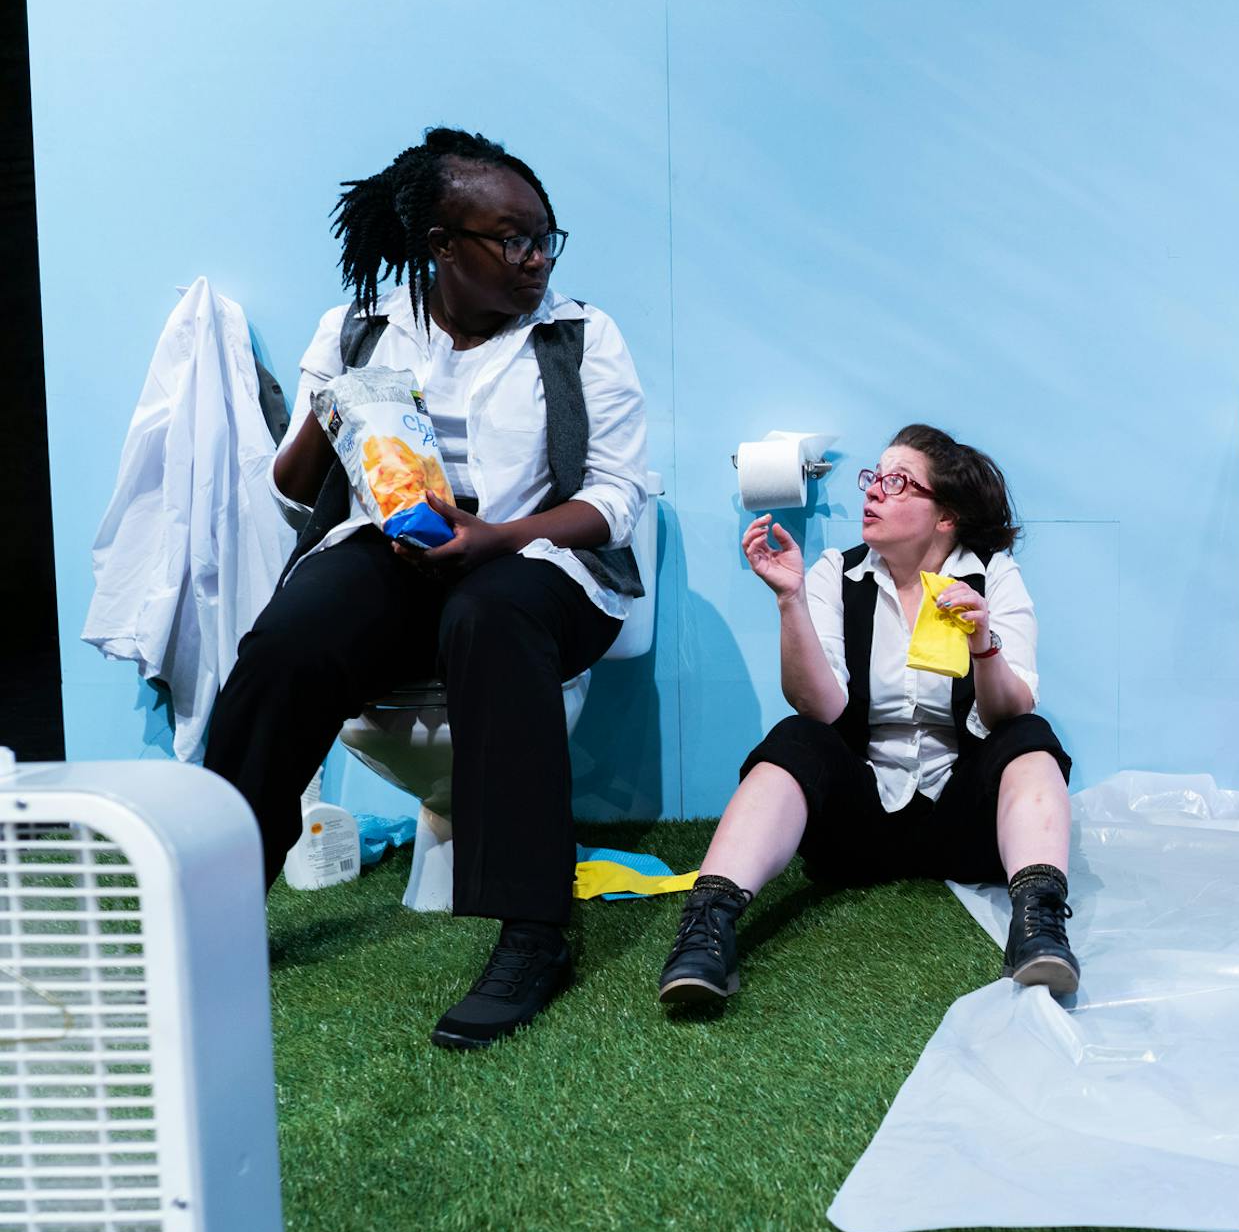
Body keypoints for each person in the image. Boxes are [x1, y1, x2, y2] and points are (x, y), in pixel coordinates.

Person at [203, 127, 650, 1048]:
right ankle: (215, 904)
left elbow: (617, 497)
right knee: (293, 635)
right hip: (397, 548)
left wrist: (498, 537)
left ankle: (532, 934)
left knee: (492, 614)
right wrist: (342, 403)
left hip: (540, 561)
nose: (535, 258)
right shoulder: (359, 324)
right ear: (443, 245)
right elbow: (293, 493)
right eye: (512, 238)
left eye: (544, 238)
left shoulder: (579, 336)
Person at [658, 425, 1080, 1004]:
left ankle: (1038, 926)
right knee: (796, 736)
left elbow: (1010, 708)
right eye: (874, 479)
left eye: (897, 482)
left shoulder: (992, 574)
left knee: (1030, 736)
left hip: (965, 828)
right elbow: (820, 705)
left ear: (945, 516)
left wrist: (984, 641)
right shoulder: (837, 570)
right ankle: (705, 929)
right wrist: (790, 601)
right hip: (854, 831)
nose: (873, 493)